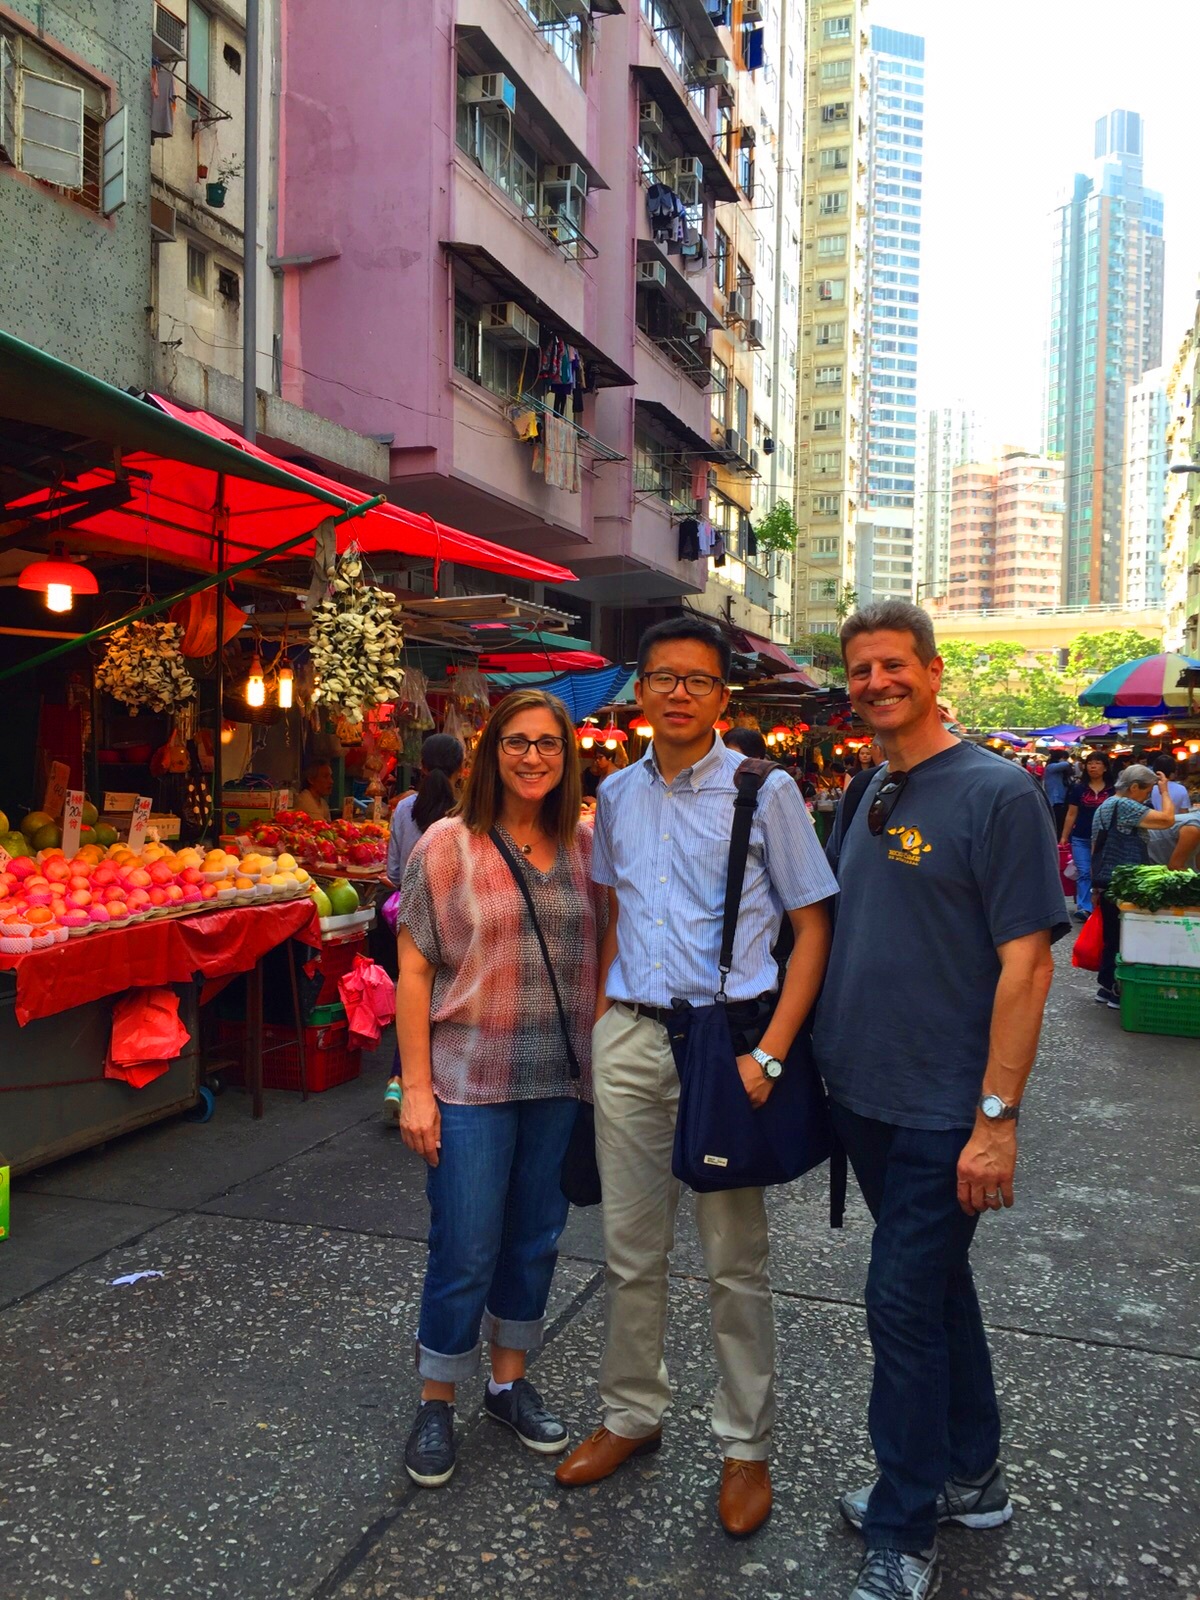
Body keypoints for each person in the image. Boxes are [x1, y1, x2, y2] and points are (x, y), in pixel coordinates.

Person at [554, 615, 837, 1538]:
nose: (678, 693)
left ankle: (744, 1446)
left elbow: (812, 929)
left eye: (698, 680)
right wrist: (601, 1021)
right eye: (663, 677)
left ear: (723, 696)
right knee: (630, 1253)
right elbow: (612, 915)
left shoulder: (768, 789)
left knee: (733, 1261)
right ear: (640, 689)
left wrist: (771, 1053)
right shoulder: (618, 796)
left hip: (729, 1049)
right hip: (632, 1037)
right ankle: (633, 1414)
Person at [811, 601, 1068, 1600]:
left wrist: (996, 1122)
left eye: (892, 665)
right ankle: (975, 1474)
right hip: (864, 1100)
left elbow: (1028, 970)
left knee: (901, 1303)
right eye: (861, 669)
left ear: (931, 667)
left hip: (941, 1110)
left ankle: (905, 1520)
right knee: (936, 1290)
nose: (875, 683)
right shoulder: (869, 787)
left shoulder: (996, 793)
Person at [394, 690, 603, 1488]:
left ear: (567, 755)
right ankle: (437, 1398)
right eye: (516, 742)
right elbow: (414, 972)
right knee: (465, 1244)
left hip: (561, 1082)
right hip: (469, 1083)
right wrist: (416, 1089)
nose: (532, 757)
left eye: (548, 744)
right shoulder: (446, 846)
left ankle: (508, 1382)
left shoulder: (589, 848)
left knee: (535, 1240)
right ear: (490, 753)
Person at [383, 734, 466, 1122]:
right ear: (461, 769)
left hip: (410, 918)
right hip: (460, 917)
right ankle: (436, 1080)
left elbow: (395, 872)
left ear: (420, 766)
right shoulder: (469, 809)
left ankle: (400, 1079)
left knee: (413, 992)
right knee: (444, 998)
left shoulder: (403, 810)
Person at [1090, 765, 1175, 1008]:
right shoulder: (1124, 805)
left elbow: (1096, 846)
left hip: (1107, 880)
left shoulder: (1104, 805)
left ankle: (1106, 987)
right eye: (1147, 792)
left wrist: (1095, 887)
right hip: (1126, 882)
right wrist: (1165, 791)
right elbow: (1167, 820)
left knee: (1113, 936)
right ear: (1134, 787)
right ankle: (1119, 990)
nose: (1148, 798)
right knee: (1129, 937)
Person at [1059, 754, 1114, 922]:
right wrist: (1064, 836)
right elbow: (1071, 813)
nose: (1093, 766)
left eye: (1097, 763)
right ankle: (1084, 908)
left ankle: (1103, 905)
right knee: (1084, 872)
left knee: (1101, 872)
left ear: (1105, 767)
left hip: (1105, 839)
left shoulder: (1113, 790)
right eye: (1090, 763)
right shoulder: (1078, 788)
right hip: (1081, 837)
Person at [1041, 749, 1073, 838]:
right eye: (1064, 758)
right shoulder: (1051, 767)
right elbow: (1066, 764)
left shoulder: (1054, 768)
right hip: (1055, 801)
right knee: (1058, 825)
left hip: (1060, 800)